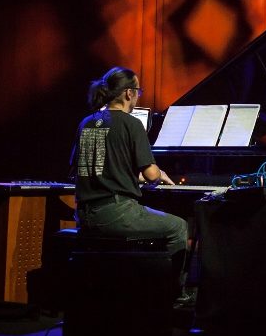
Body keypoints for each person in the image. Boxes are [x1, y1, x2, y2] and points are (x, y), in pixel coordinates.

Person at [69, 66, 190, 298]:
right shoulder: (132, 124)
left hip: (84, 215)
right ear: (128, 93)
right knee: (179, 227)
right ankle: (173, 294)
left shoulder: (86, 123)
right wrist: (159, 172)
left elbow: (86, 167)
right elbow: (153, 175)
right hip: (116, 214)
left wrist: (129, 175)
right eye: (138, 91)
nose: (137, 96)